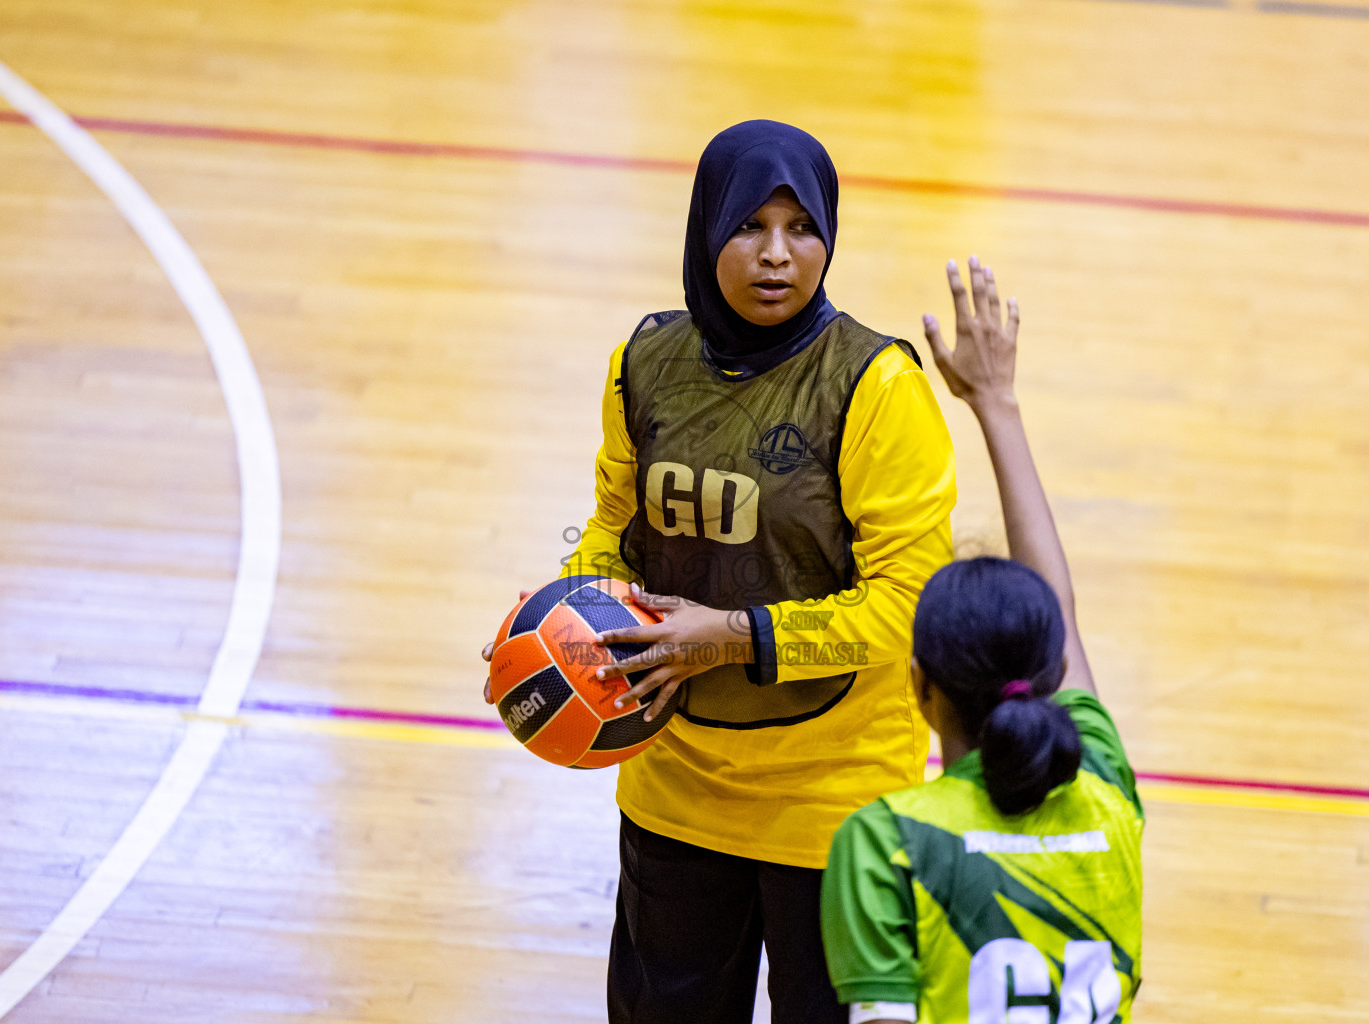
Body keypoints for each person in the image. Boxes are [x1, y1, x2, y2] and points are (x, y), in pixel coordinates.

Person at [486, 120, 956, 1023]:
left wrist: (728, 639)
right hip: (677, 786)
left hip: (836, 805)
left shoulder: (877, 387)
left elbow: (908, 608)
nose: (777, 256)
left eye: (801, 229)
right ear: (706, 231)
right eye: (749, 227)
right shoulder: (645, 363)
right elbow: (616, 535)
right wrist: (557, 613)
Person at [819, 257, 1143, 1024]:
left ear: (918, 685)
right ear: (1049, 667)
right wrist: (996, 401)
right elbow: (1058, 604)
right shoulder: (1107, 797)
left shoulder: (890, 844)